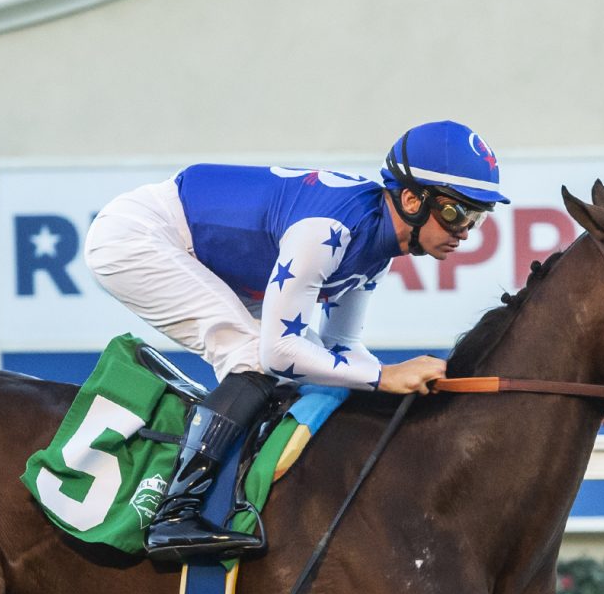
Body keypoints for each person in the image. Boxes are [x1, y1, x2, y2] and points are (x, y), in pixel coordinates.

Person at [83, 119, 508, 561]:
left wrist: (401, 384)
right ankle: (175, 516)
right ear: (411, 198)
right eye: (457, 213)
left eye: (477, 217)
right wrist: (385, 376)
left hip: (198, 248)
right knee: (255, 358)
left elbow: (341, 346)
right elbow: (280, 353)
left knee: (295, 372)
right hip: (138, 236)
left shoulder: (378, 248)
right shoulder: (328, 230)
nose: (465, 231)